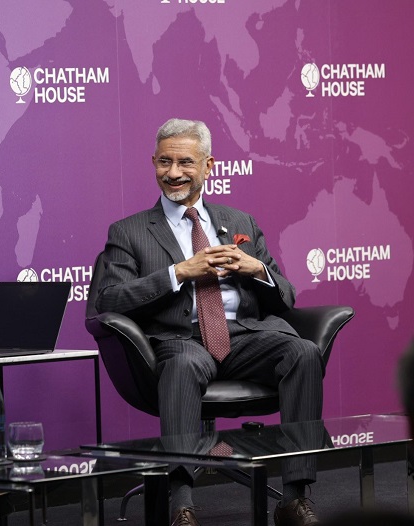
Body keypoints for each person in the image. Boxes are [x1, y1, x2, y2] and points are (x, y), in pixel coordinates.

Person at [96, 119, 324, 526]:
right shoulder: (129, 232)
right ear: (153, 162)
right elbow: (107, 300)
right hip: (181, 340)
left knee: (303, 353)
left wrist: (256, 269)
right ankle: (181, 505)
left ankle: (294, 498)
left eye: (185, 162)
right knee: (184, 365)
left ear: (208, 166)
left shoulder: (240, 222)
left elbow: (287, 297)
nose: (174, 173)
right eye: (164, 162)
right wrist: (178, 273)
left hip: (244, 337)